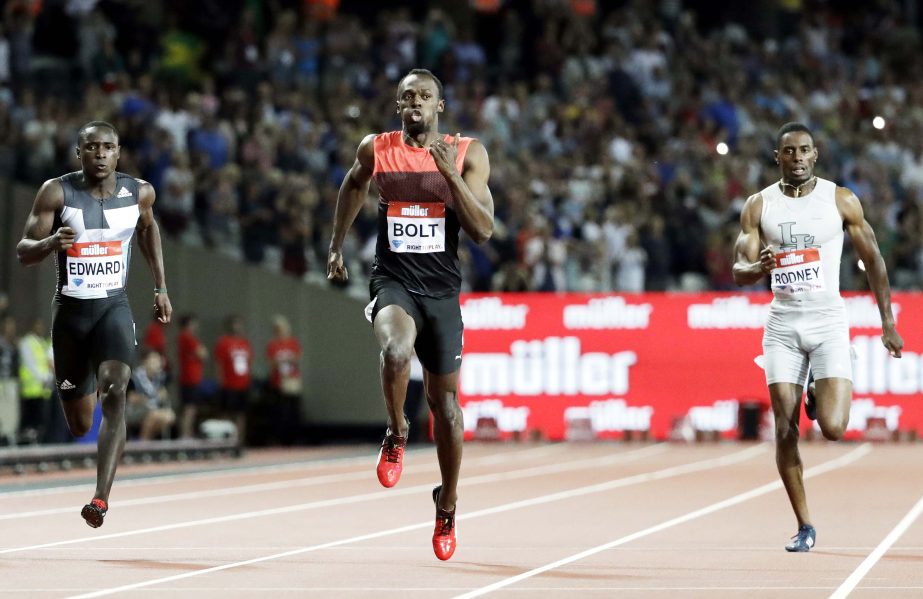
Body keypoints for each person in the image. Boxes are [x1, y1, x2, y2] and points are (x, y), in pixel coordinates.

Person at [326, 68, 494, 561]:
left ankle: (448, 503)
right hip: (393, 282)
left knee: (448, 412)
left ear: (440, 105)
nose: (415, 102)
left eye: (424, 95)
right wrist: (336, 245)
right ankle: (397, 431)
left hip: (441, 292)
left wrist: (447, 174)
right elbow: (352, 187)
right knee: (396, 349)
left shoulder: (468, 153)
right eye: (407, 97)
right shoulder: (376, 149)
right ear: (398, 105)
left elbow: (483, 229)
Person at [732, 122, 903, 552]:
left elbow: (874, 259)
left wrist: (888, 322)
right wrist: (759, 268)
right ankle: (805, 525)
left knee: (833, 427)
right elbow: (739, 269)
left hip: (828, 320)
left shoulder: (840, 200)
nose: (797, 158)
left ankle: (815, 389)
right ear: (778, 157)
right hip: (783, 324)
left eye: (804, 150)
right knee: (784, 428)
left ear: (816, 154)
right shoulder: (758, 205)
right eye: (788, 152)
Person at [16, 120, 172, 528]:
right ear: (79, 153)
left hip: (113, 309)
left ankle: (100, 499)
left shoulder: (139, 192)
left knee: (117, 391)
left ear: (118, 153)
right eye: (92, 148)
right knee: (80, 422)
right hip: (70, 315)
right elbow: (22, 251)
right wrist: (50, 243)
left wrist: (160, 286)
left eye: (108, 147)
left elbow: (148, 228)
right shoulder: (57, 191)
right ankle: (84, 406)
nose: (100, 154)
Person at [214, 314, 252, 442]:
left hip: (243, 384)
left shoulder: (245, 342)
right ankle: (225, 440)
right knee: (226, 413)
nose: (237, 327)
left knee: (241, 414)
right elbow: (219, 363)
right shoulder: (224, 342)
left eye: (239, 324)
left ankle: (239, 440)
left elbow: (249, 362)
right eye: (235, 324)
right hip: (228, 384)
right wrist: (220, 380)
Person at [265, 314, 302, 446]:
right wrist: (284, 359)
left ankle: (293, 438)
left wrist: (283, 359)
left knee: (293, 410)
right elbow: (271, 363)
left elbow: (296, 359)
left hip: (291, 381)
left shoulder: (292, 342)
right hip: (278, 381)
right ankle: (279, 438)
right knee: (279, 411)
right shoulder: (273, 345)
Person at [18, 317, 54, 443]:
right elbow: (30, 364)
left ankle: (37, 440)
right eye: (37, 325)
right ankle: (26, 443)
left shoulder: (42, 342)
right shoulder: (26, 342)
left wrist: (48, 379)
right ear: (32, 327)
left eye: (41, 325)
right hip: (31, 388)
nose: (40, 328)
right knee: (29, 419)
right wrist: (44, 377)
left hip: (42, 389)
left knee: (40, 419)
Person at [126, 349, 175, 440]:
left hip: (153, 409)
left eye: (158, 360)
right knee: (153, 416)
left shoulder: (159, 377)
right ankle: (143, 445)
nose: (157, 362)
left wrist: (163, 395)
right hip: (135, 410)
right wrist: (141, 398)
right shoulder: (135, 376)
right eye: (154, 359)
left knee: (169, 416)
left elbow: (163, 395)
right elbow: (130, 398)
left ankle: (148, 443)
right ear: (145, 361)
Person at [177, 313, 208, 438]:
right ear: (189, 324)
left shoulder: (182, 337)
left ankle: (185, 433)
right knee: (190, 408)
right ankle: (186, 434)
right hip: (190, 377)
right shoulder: (188, 337)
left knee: (187, 407)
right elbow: (203, 354)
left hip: (188, 377)